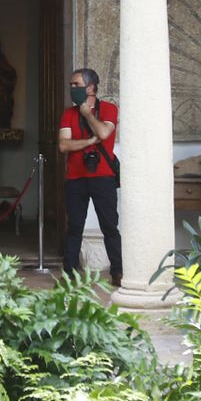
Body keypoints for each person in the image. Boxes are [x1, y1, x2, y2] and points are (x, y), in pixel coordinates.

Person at [59, 67, 120, 287]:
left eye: (76, 84)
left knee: (110, 226)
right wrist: (88, 142)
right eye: (71, 85)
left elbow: (104, 133)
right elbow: (64, 144)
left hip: (103, 176)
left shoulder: (110, 109)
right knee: (74, 227)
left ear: (91, 87)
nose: (72, 88)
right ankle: (69, 274)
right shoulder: (68, 113)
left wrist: (86, 113)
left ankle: (118, 272)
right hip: (75, 177)